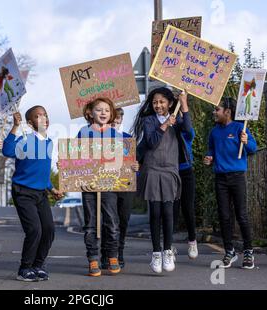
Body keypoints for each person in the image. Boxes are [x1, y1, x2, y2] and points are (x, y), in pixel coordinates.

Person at [76, 98, 139, 277]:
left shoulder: (117, 136)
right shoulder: (83, 132)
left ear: (111, 114)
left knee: (112, 222)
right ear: (90, 113)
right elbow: (75, 158)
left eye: (106, 110)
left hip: (109, 185)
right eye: (99, 110)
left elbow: (126, 161)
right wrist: (66, 163)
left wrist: (133, 166)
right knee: (90, 224)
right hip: (88, 186)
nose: (103, 113)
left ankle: (112, 255)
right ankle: (93, 259)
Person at [132, 87, 192, 273]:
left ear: (169, 103)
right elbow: (151, 141)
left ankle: (167, 250)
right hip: (152, 170)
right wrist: (165, 124)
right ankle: (156, 253)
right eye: (155, 102)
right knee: (155, 213)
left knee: (168, 212)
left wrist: (184, 104)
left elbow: (189, 132)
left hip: (170, 171)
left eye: (162, 102)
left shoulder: (178, 119)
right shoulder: (148, 120)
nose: (158, 105)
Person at [3, 105, 64, 282]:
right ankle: (25, 268)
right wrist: (15, 126)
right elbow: (7, 151)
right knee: (34, 230)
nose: (43, 118)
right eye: (38, 116)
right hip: (23, 191)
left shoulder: (49, 142)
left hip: (41, 193)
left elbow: (42, 173)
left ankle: (38, 265)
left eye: (45, 114)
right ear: (30, 123)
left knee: (49, 230)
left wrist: (52, 189)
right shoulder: (25, 139)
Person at [203, 97, 257, 269]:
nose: (214, 112)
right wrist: (209, 158)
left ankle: (248, 251)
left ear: (227, 111)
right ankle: (229, 251)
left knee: (241, 215)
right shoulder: (214, 132)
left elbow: (253, 149)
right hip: (221, 178)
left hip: (237, 177)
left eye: (217, 109)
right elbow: (211, 150)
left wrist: (246, 141)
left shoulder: (241, 128)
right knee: (224, 216)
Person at [100, 107, 134, 269]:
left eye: (117, 122)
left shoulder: (128, 139)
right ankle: (107, 254)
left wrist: (137, 165)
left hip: (125, 185)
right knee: (109, 221)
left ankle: (119, 252)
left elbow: (136, 160)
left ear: (121, 121)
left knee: (123, 220)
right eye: (111, 122)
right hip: (107, 184)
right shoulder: (99, 138)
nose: (114, 125)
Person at [172, 124, 198, 260]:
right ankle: (168, 245)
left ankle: (192, 241)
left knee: (188, 208)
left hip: (186, 171)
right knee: (172, 209)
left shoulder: (186, 130)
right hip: (171, 171)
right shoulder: (167, 129)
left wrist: (183, 111)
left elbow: (189, 131)